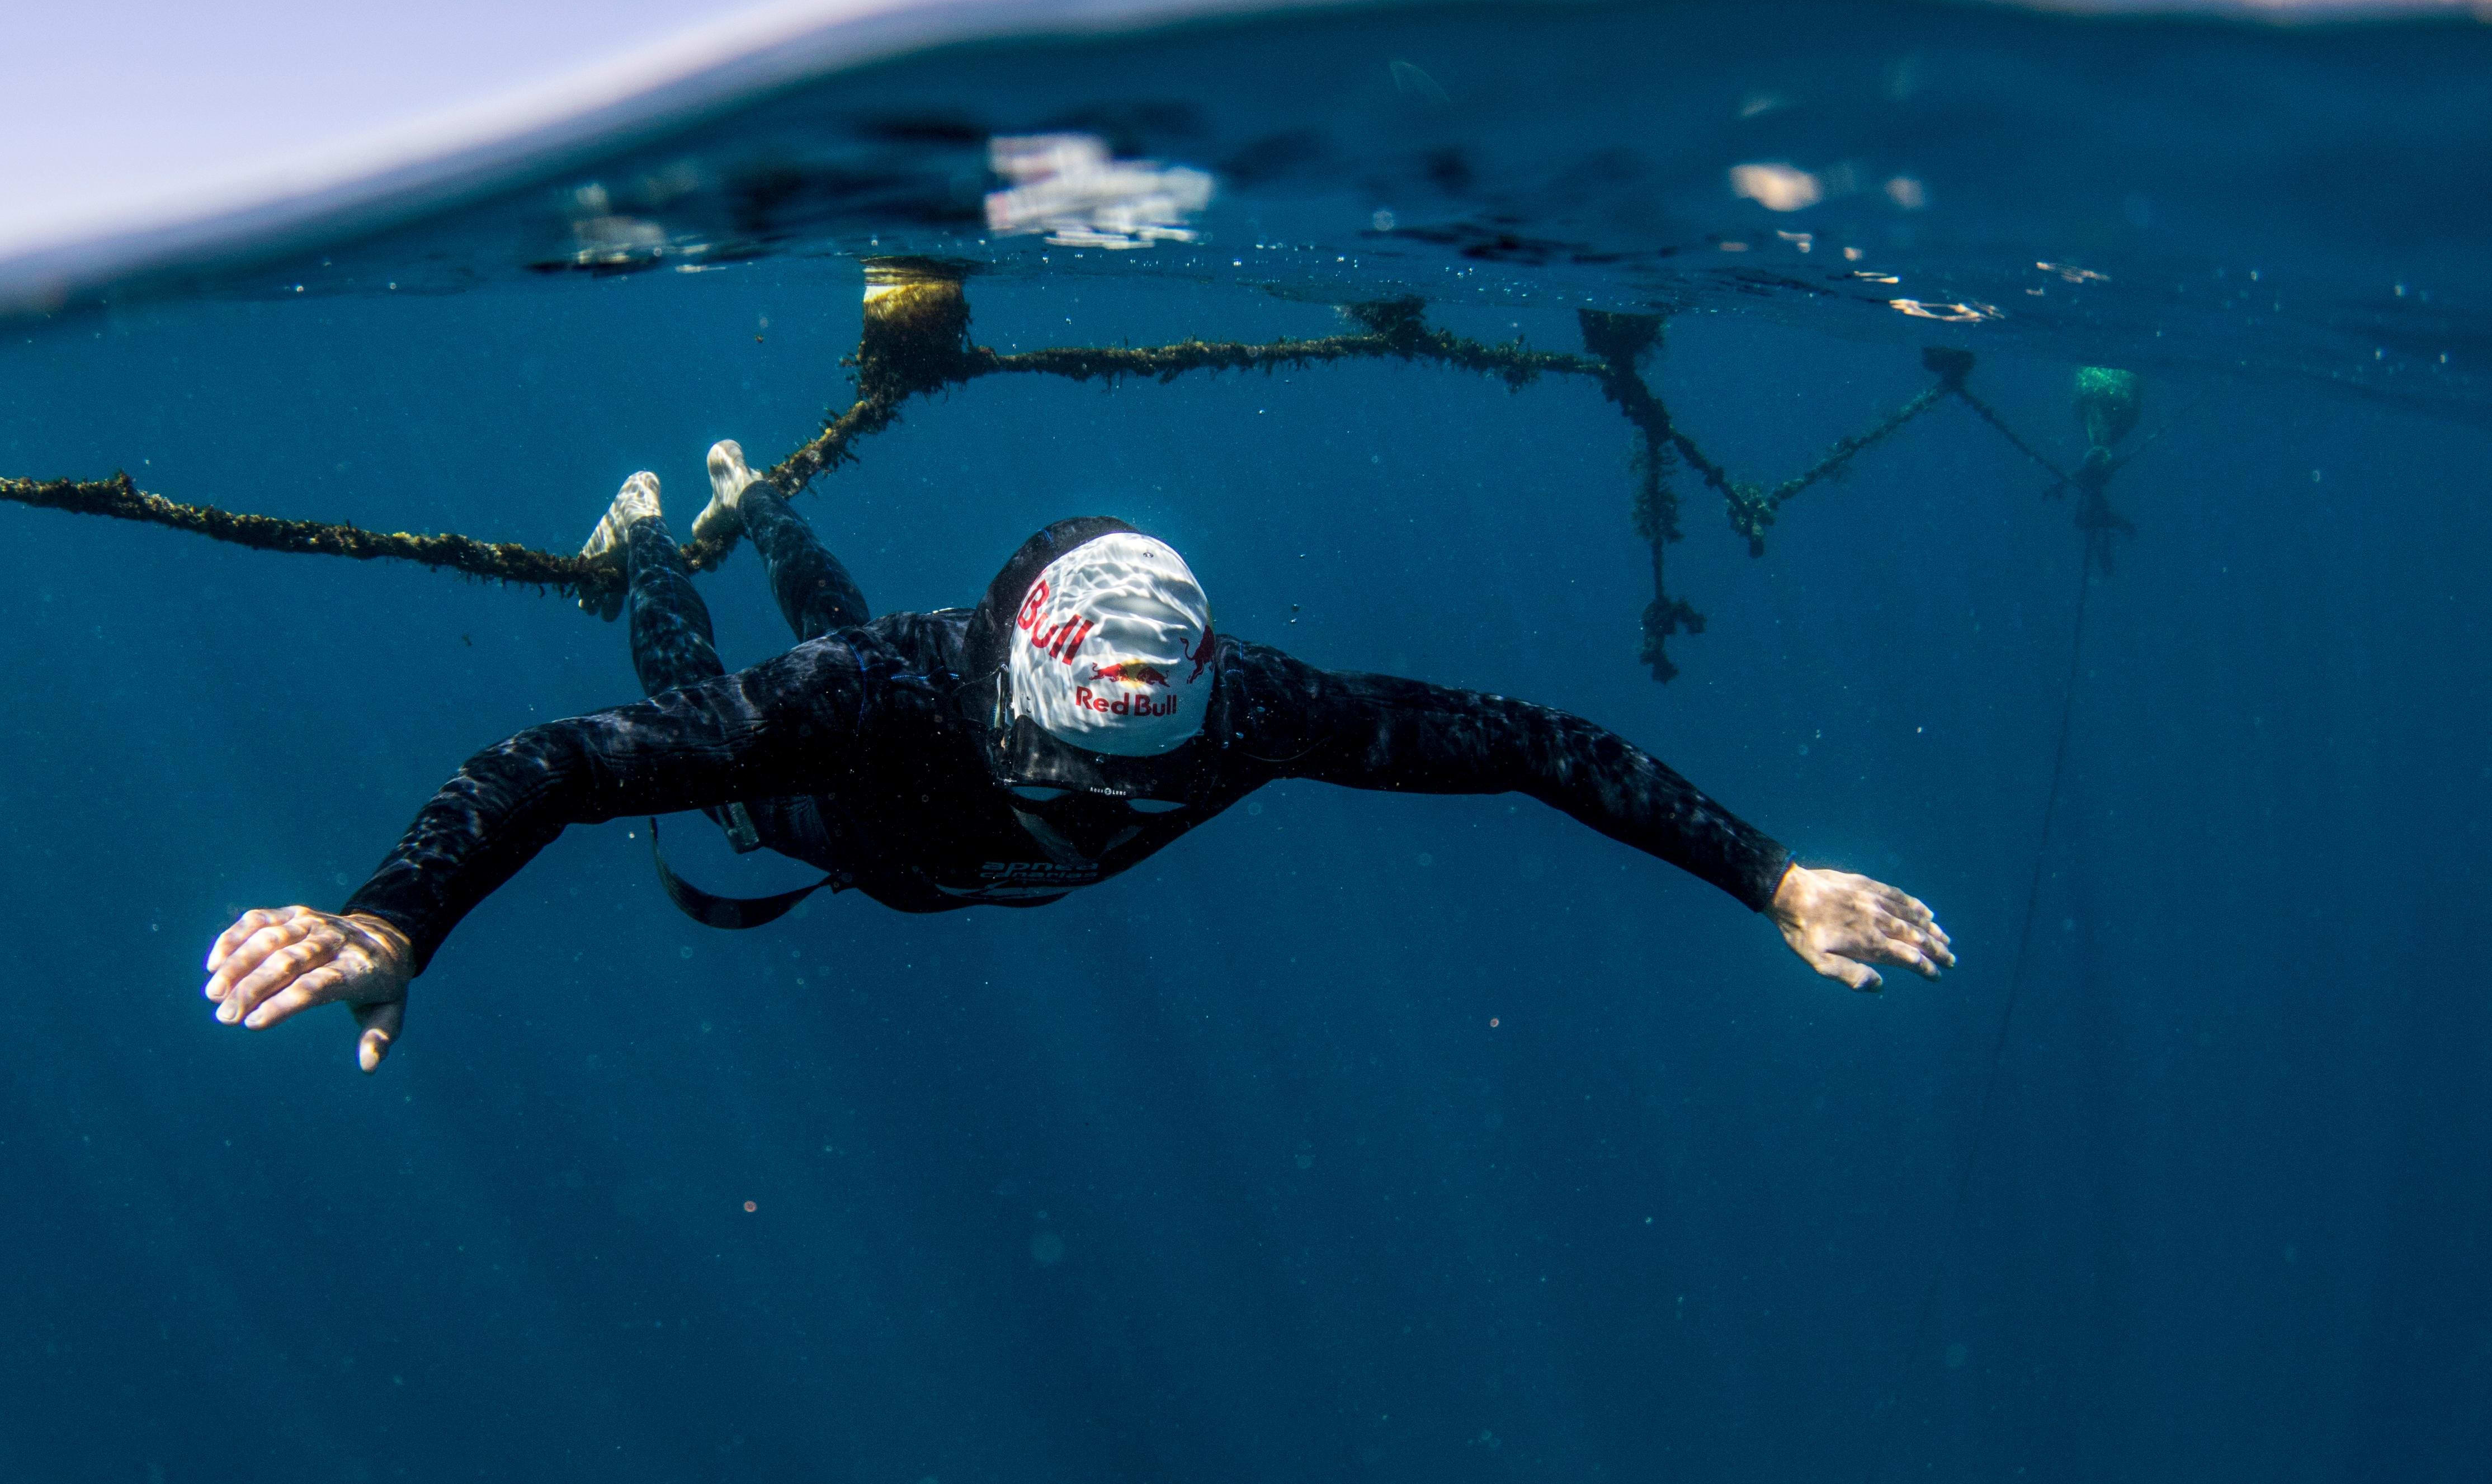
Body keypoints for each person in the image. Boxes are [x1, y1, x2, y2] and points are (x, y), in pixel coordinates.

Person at [205, 442, 1953, 1070]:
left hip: (908, 798)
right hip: (838, 808)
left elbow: (1530, 745)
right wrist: (395, 919)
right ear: (1010, 693)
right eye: (1085, 765)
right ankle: (656, 540)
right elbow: (563, 766)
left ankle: (764, 503)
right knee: (721, 743)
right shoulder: (883, 694)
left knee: (817, 655)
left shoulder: (1251, 707)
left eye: (1153, 765)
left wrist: (1774, 877)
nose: (1120, 797)